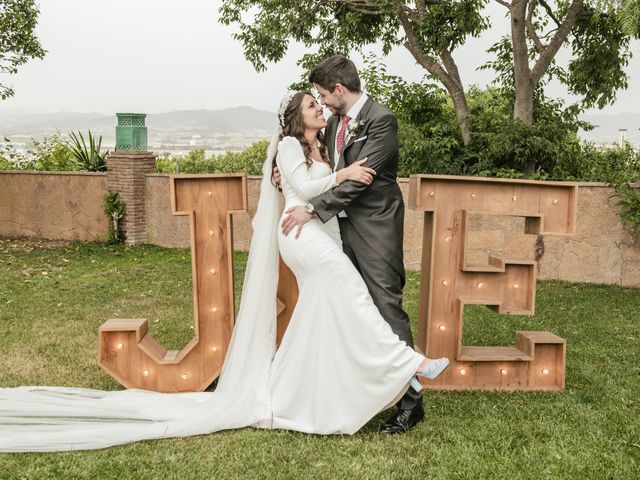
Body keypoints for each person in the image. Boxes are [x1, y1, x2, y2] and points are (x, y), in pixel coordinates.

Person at [0, 91, 448, 453]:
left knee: (326, 316)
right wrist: (342, 173)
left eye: (321, 104)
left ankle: (300, 396)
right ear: (297, 117)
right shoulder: (290, 145)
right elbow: (308, 188)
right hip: (301, 234)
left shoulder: (323, 143)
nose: (321, 109)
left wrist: (336, 168)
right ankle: (412, 364)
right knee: (352, 293)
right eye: (313, 106)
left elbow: (320, 183)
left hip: (322, 232)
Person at [278, 55, 425, 434]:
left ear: (340, 90)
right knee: (351, 313)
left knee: (386, 308)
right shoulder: (333, 125)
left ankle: (411, 404)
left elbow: (361, 179)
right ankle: (363, 392)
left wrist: (311, 209)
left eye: (324, 96)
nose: (323, 102)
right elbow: (317, 166)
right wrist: (286, 179)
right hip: (337, 234)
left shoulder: (381, 120)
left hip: (374, 230)